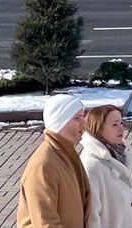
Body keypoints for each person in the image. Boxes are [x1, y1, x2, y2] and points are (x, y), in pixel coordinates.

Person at [17, 94, 91, 227]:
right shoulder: (43, 165)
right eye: (76, 117)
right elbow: (45, 222)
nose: (84, 122)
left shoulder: (67, 153)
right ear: (60, 121)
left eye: (83, 116)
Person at [81, 105, 132, 228]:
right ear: (98, 129)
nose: (121, 128)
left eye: (122, 123)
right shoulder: (92, 165)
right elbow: (91, 217)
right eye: (114, 125)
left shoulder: (119, 155)